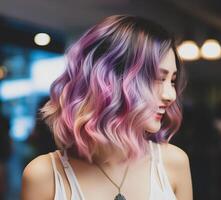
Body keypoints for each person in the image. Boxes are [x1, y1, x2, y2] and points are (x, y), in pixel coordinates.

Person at [21, 15, 193, 200]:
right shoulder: (44, 176)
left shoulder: (173, 163)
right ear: (110, 81)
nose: (171, 95)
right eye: (158, 79)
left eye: (172, 81)